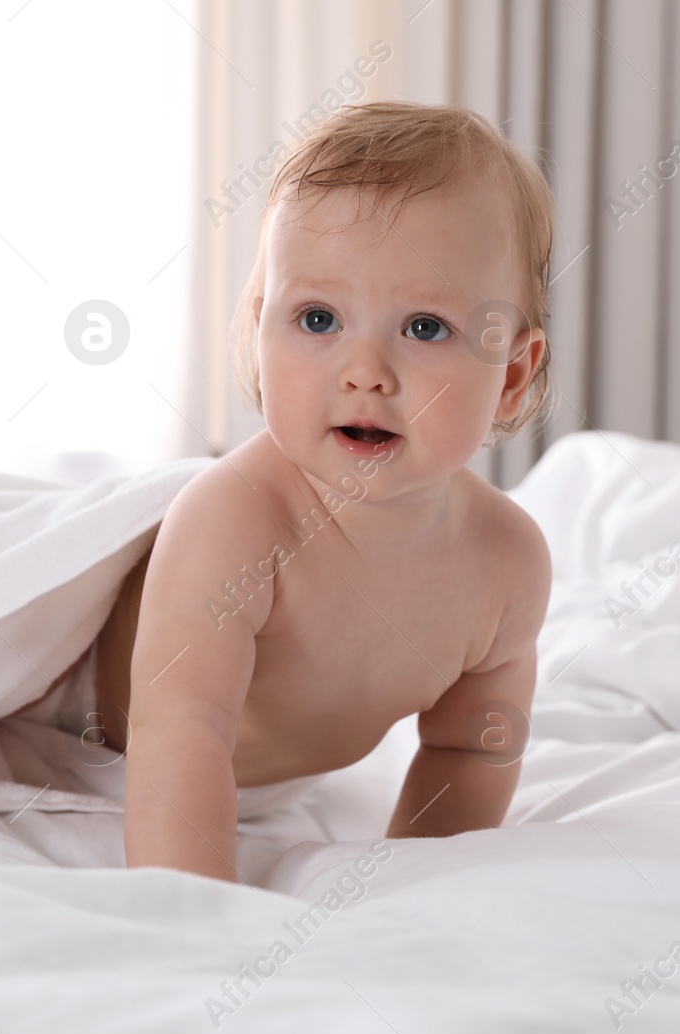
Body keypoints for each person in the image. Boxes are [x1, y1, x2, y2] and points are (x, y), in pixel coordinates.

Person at [97, 101, 555, 882]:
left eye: (425, 328)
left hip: (261, 777)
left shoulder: (505, 566)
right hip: (83, 720)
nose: (365, 370)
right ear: (258, 330)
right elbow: (183, 729)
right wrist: (196, 918)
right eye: (317, 318)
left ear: (511, 376)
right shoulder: (234, 523)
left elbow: (469, 748)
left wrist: (410, 889)